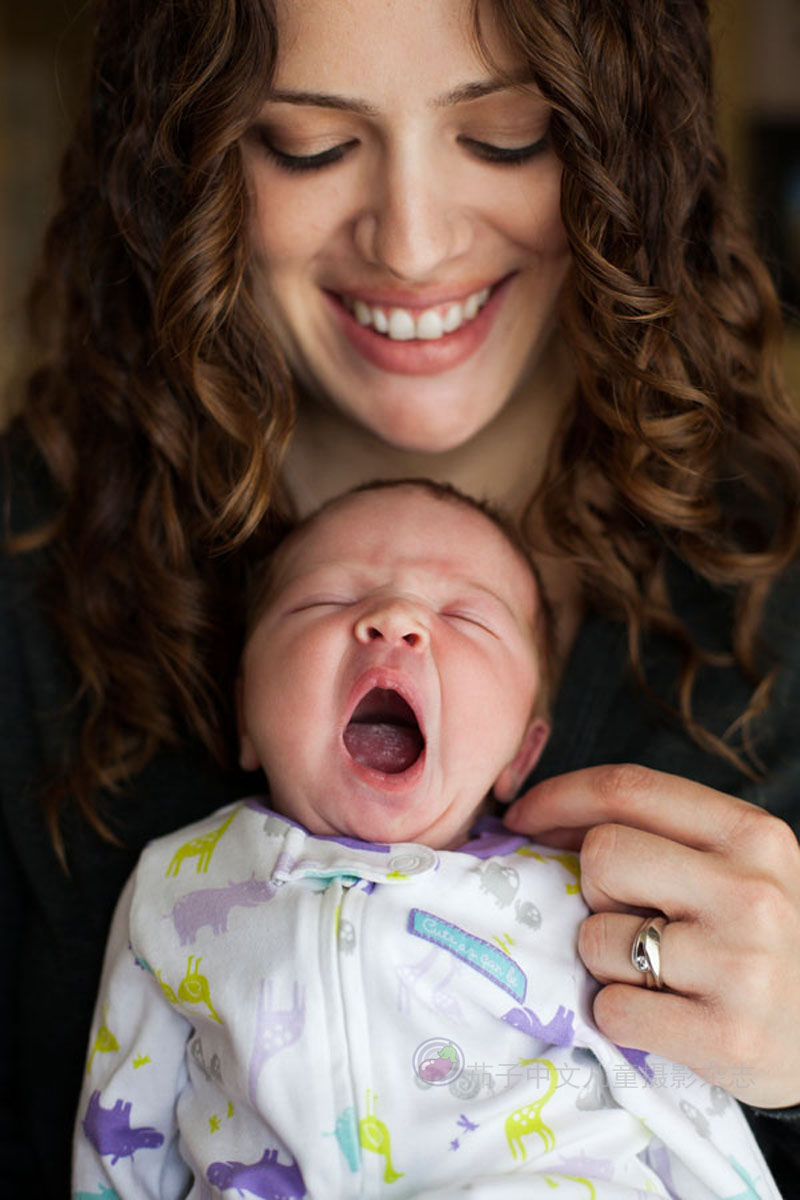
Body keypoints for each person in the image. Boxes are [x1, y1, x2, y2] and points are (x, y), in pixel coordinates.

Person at [2, 0, 800, 1195]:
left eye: (507, 135)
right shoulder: (29, 575)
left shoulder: (774, 587)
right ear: (190, 149)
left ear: (615, 145)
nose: (414, 244)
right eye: (310, 146)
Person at [72, 480, 779, 1199]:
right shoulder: (177, 884)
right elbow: (122, 1126)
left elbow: (692, 1115)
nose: (396, 618)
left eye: (467, 617)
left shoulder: (584, 895)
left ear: (521, 754)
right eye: (324, 601)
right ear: (246, 717)